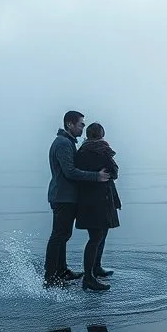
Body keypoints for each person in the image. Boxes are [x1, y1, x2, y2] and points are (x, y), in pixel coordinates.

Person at [44, 111, 110, 288]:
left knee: (64, 235)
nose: (83, 127)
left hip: (66, 196)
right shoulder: (63, 143)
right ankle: (50, 277)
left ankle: (62, 270)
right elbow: (70, 172)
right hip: (63, 197)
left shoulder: (67, 142)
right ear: (69, 124)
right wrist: (96, 176)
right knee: (58, 236)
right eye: (81, 124)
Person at [73, 122, 121, 292]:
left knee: (98, 234)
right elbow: (114, 172)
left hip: (87, 199)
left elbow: (76, 172)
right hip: (102, 198)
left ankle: (95, 268)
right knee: (97, 237)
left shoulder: (80, 152)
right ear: (101, 135)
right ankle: (89, 277)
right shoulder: (103, 150)